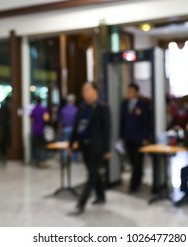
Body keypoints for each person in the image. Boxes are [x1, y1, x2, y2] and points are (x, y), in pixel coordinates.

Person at [68, 82, 111, 215]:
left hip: (97, 147)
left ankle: (81, 203)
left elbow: (107, 129)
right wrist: (71, 144)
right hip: (84, 146)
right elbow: (76, 127)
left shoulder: (102, 108)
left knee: (92, 175)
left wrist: (107, 149)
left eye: (87, 90)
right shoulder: (81, 107)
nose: (84, 93)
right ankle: (101, 196)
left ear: (95, 91)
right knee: (95, 172)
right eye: (83, 90)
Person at [120, 83, 149, 193]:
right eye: (128, 91)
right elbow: (122, 121)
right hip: (128, 138)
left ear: (136, 92)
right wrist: (121, 136)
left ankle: (134, 185)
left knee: (137, 162)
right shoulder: (125, 104)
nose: (129, 94)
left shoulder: (142, 105)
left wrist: (145, 137)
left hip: (139, 138)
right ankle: (138, 177)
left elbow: (146, 122)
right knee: (132, 161)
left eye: (131, 91)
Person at [30, 96, 50, 168]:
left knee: (37, 146)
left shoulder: (34, 109)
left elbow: (32, 120)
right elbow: (46, 119)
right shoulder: (43, 109)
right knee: (43, 146)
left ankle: (37, 161)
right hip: (42, 130)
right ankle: (43, 161)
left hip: (35, 130)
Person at [58, 94, 78, 162]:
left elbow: (60, 122)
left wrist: (60, 130)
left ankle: (65, 158)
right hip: (73, 129)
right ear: (73, 101)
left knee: (65, 144)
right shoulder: (76, 110)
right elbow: (78, 122)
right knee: (74, 144)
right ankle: (74, 159)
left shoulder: (63, 110)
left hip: (65, 129)